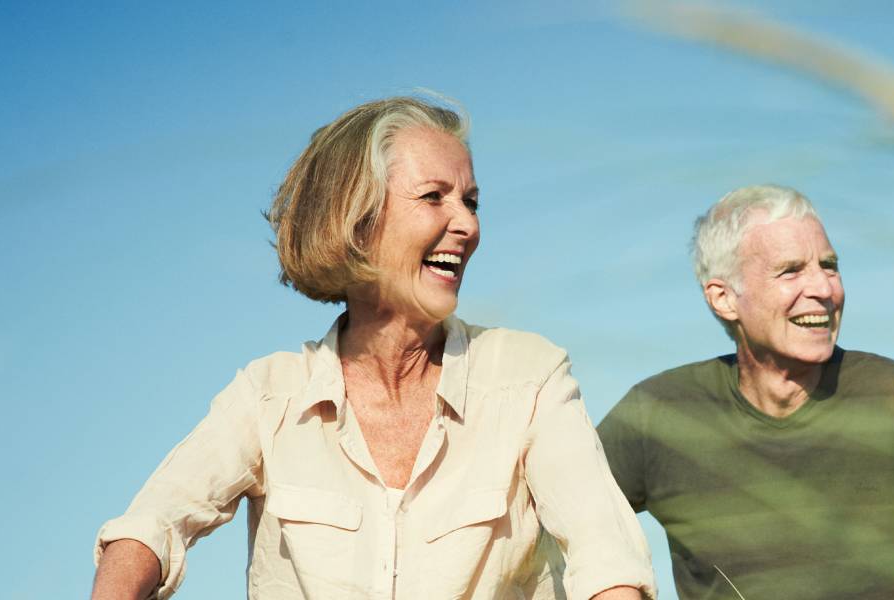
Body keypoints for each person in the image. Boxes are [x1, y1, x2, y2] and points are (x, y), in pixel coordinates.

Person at [91, 95, 653, 600]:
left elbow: (605, 557)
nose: (467, 225)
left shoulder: (529, 379)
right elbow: (151, 526)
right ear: (357, 220)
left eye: (472, 201)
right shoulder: (267, 397)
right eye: (434, 197)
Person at [596, 184, 894, 599]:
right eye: (791, 270)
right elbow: (550, 524)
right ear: (724, 299)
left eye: (829, 266)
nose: (824, 290)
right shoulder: (657, 414)